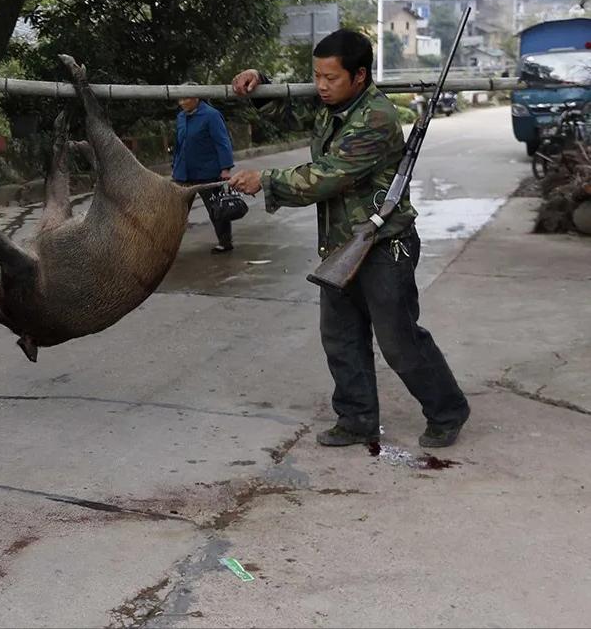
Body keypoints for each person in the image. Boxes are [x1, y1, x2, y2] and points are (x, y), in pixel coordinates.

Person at [228, 29, 469, 449]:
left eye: (330, 78)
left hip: (383, 247)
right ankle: (356, 418)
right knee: (340, 338)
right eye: (316, 76)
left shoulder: (374, 118)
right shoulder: (331, 106)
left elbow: (326, 177)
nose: (320, 86)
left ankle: (448, 410)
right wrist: (260, 82)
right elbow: (288, 113)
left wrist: (263, 179)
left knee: (399, 342)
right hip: (341, 244)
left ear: (359, 76)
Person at [171, 96, 236, 253]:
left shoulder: (211, 115)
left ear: (196, 98)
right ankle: (169, 245)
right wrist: (175, 164)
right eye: (179, 99)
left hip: (207, 171)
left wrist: (226, 168)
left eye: (184, 99)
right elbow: (179, 144)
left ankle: (225, 241)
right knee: (176, 211)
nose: (181, 103)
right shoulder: (181, 117)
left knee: (216, 209)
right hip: (184, 173)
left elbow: (222, 141)